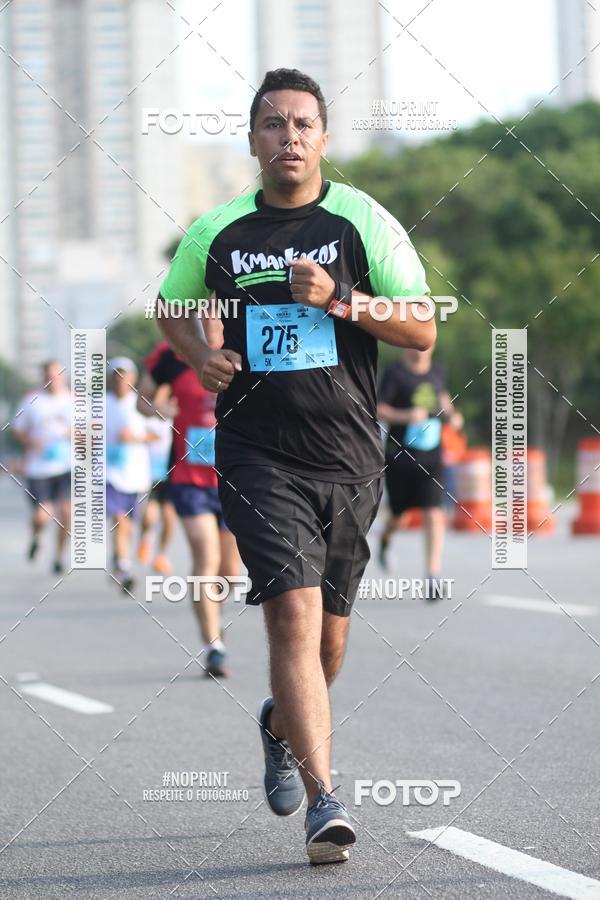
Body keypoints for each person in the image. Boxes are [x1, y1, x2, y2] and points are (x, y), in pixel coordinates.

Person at [156, 68, 435, 864]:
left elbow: (421, 330)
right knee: (292, 614)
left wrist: (341, 301)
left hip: (349, 457)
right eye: (273, 124)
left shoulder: (361, 221)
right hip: (255, 453)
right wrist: (199, 355)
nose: (289, 137)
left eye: (303, 124)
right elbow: (170, 308)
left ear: (323, 136)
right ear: (253, 140)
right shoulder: (218, 232)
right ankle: (326, 802)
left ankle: (280, 723)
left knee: (329, 646)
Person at [137, 340, 240, 679]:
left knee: (230, 573)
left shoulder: (241, 339)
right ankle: (214, 646)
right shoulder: (173, 352)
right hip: (188, 475)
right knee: (204, 559)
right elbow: (143, 401)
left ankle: (212, 612)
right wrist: (161, 409)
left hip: (235, 476)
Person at [377, 347, 464, 597]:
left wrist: (454, 416)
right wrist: (406, 415)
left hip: (432, 456)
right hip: (401, 456)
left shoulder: (438, 370)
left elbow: (444, 399)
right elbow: (379, 409)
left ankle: (432, 576)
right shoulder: (395, 373)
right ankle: (385, 540)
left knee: (434, 513)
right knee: (399, 518)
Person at [13, 360, 72, 574]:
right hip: (39, 468)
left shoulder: (75, 401)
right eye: (48, 375)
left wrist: (73, 434)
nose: (52, 379)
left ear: (63, 376)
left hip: (67, 466)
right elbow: (17, 430)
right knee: (42, 515)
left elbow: (90, 431)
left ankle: (59, 556)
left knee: (67, 514)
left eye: (56, 375)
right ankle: (37, 536)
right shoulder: (31, 401)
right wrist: (30, 441)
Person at [106, 357, 155, 592]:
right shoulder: (101, 404)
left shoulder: (142, 404)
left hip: (136, 474)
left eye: (124, 374)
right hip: (108, 473)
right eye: (116, 374)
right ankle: (123, 566)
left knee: (131, 524)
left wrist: (134, 438)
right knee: (119, 519)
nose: (120, 379)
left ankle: (118, 556)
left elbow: (158, 435)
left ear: (133, 378)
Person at [137, 397, 177, 575]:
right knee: (149, 515)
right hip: (150, 472)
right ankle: (146, 539)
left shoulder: (176, 418)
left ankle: (161, 555)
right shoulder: (147, 417)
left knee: (169, 516)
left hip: (172, 472)